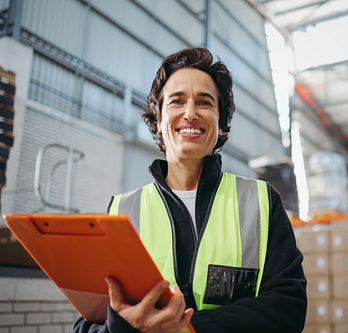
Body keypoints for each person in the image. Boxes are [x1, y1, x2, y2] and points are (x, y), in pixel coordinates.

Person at [73, 47, 307, 333]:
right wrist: (124, 327)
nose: (191, 113)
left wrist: (183, 328)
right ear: (158, 121)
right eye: (177, 101)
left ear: (221, 123)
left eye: (205, 102)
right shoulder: (121, 211)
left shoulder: (261, 201)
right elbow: (87, 325)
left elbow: (288, 308)